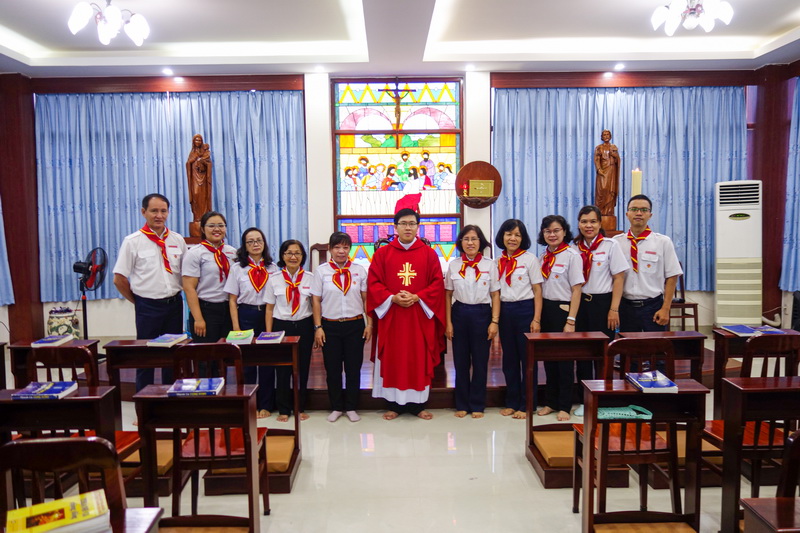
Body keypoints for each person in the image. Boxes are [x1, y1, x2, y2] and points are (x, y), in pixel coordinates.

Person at [367, 208, 445, 420]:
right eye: (403, 223)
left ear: (418, 227)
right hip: (392, 316)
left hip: (419, 317)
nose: (408, 227)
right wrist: (392, 298)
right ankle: (393, 405)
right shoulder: (382, 254)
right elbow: (373, 283)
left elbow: (437, 283)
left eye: (412, 223)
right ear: (396, 227)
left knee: (418, 358)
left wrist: (418, 296)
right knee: (394, 358)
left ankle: (419, 405)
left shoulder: (429, 254)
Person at [113, 193, 186, 391]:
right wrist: (138, 301)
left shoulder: (177, 240)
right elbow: (119, 279)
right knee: (145, 357)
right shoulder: (133, 241)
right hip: (147, 306)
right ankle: (144, 402)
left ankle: (171, 398)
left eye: (163, 211)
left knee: (173, 355)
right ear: (143, 212)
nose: (159, 215)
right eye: (154, 211)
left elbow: (186, 275)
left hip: (174, 305)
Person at [571, 205, 629, 416]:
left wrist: (614, 308)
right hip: (580, 304)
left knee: (603, 354)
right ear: (579, 224)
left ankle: (603, 399)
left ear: (599, 223)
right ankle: (585, 400)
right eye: (584, 221)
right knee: (582, 354)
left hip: (603, 304)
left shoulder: (610, 245)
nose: (589, 225)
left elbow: (619, 278)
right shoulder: (573, 248)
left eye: (593, 221)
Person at [311, 232, 371, 423]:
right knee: (333, 369)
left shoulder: (359, 270)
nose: (341, 251)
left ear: (349, 249)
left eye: (345, 247)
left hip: (355, 324)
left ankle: (351, 406)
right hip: (330, 326)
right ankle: (336, 406)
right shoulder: (321, 272)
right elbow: (316, 301)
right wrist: (318, 327)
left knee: (354, 368)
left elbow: (366, 299)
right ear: (330, 249)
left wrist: (369, 323)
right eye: (337, 247)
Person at [445, 225, 500, 418]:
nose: (470, 243)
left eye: (474, 239)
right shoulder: (454, 265)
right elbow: (448, 295)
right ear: (460, 242)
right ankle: (461, 403)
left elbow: (495, 295)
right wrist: (448, 323)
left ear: (480, 242)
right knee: (460, 362)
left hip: (482, 314)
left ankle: (477, 404)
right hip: (459, 313)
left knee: (480, 361)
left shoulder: (489, 265)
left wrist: (494, 321)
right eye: (466, 239)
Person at [534, 215, 584, 422]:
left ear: (564, 232)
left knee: (564, 361)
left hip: (563, 311)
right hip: (546, 310)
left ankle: (564, 405)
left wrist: (571, 320)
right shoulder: (542, 257)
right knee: (549, 360)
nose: (552, 235)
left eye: (556, 230)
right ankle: (550, 402)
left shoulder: (572, 256)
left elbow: (577, 289)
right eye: (547, 231)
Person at [225, 227, 279, 418]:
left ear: (264, 244)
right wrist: (236, 327)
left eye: (259, 240)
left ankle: (265, 404)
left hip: (267, 315)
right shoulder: (237, 268)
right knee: (246, 363)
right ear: (245, 246)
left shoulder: (272, 268)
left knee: (266, 361)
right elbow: (232, 300)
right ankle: (249, 404)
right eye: (251, 241)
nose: (255, 244)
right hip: (245, 314)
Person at [612, 194, 683, 332]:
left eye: (644, 210)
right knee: (627, 344)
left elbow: (672, 276)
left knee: (654, 345)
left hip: (653, 306)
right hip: (625, 307)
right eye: (634, 209)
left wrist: (666, 309)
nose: (639, 213)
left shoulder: (663, 242)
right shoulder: (616, 242)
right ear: (627, 214)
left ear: (650, 215)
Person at [495, 219, 543, 419]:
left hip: (525, 310)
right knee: (509, 360)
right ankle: (512, 402)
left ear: (523, 238)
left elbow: (537, 290)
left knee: (527, 359)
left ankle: (528, 404)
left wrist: (536, 319)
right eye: (509, 234)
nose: (512, 238)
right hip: (505, 311)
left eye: (517, 235)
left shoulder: (530, 259)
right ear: (502, 236)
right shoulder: (497, 262)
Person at [265, 240, 315, 422]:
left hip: (304, 325)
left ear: (302, 256)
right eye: (289, 253)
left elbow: (315, 305)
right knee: (282, 369)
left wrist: (318, 328)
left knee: (302, 367)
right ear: (283, 256)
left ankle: (300, 407)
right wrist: (269, 335)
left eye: (297, 253)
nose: (293, 257)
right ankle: (284, 409)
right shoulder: (274, 279)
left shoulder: (310, 278)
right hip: (282, 326)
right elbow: (269, 309)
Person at [182, 211, 236, 344]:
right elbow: (189, 288)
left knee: (228, 351)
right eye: (211, 226)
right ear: (202, 229)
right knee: (207, 352)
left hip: (228, 309)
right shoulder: (195, 253)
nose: (217, 229)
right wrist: (199, 319)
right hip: (206, 310)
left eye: (221, 225)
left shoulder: (232, 252)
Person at [186, 134, 212, 230]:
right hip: (194, 179)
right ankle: (197, 217)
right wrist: (192, 161)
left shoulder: (205, 152)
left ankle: (204, 218)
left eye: (199, 140)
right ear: (193, 142)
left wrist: (203, 161)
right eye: (196, 140)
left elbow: (209, 163)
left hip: (203, 179)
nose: (198, 142)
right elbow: (188, 163)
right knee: (196, 196)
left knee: (203, 198)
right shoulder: (192, 153)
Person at [594, 130, 620, 216]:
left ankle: (609, 211)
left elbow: (617, 160)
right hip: (602, 171)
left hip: (611, 171)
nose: (606, 136)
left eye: (608, 135)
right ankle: (600, 211)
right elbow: (597, 160)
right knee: (602, 189)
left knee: (610, 191)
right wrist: (599, 169)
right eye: (604, 135)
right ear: (602, 137)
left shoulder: (613, 147)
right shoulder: (599, 148)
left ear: (610, 136)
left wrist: (615, 156)